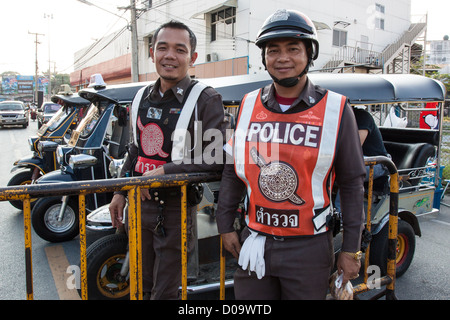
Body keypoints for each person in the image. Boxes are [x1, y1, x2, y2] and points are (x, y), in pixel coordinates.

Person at [215, 9, 366, 300]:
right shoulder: (247, 105)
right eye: (273, 50)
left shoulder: (335, 108)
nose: (282, 58)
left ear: (310, 54)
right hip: (255, 240)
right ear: (265, 58)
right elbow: (233, 171)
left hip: (308, 248)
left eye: (293, 49)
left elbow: (352, 183)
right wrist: (225, 226)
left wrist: (350, 249)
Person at [109, 20, 227, 300]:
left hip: (176, 210)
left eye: (179, 49)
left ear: (192, 57)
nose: (169, 55)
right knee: (140, 284)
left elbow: (216, 158)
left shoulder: (205, 100)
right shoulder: (140, 97)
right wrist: (119, 192)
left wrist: (165, 171)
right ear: (152, 53)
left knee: (164, 292)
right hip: (139, 205)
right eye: (162, 48)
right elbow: (134, 152)